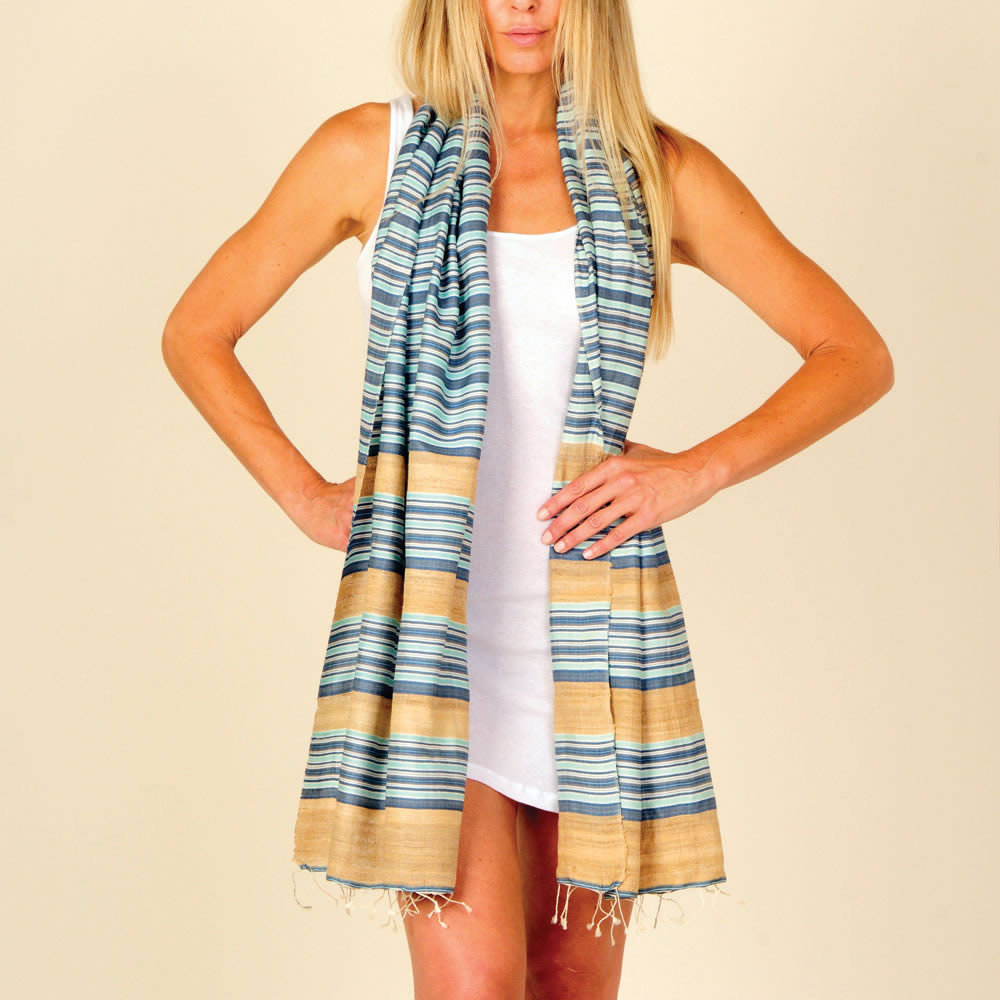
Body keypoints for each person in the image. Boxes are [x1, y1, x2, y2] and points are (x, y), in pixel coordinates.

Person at [161, 1, 894, 997]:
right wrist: (306, 497)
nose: (523, 3)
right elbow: (197, 330)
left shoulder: (655, 170)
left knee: (570, 985)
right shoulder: (369, 153)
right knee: (476, 985)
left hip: (596, 642)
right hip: (434, 642)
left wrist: (695, 470)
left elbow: (853, 354)